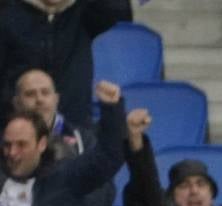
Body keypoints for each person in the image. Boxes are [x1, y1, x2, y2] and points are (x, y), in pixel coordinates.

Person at [0, 0, 130, 128]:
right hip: (17, 132)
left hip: (74, 128)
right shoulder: (8, 14)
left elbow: (118, 8)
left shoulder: (83, 11)